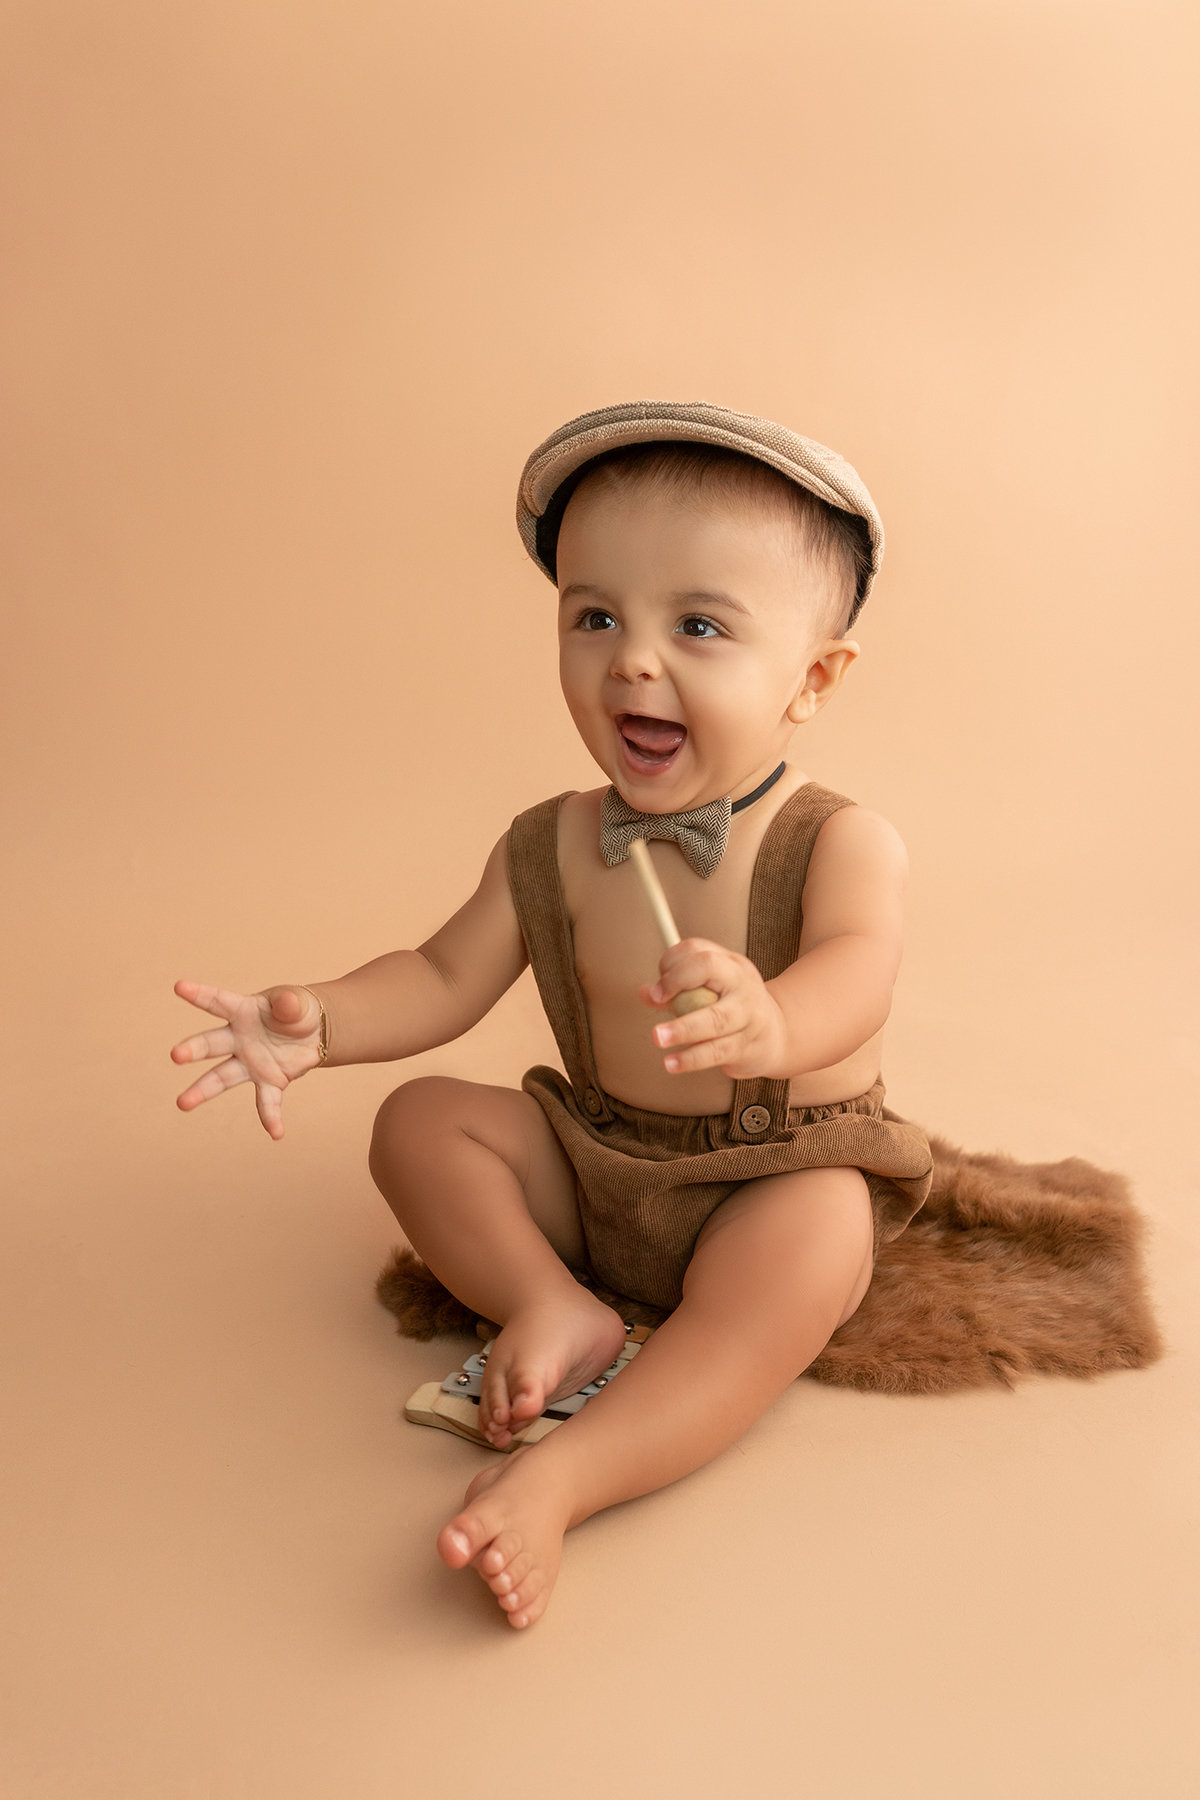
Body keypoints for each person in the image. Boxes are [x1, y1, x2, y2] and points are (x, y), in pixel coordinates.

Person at [170, 401, 933, 1630]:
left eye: (697, 624)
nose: (633, 660)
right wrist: (325, 1023)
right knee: (419, 1124)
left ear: (814, 679)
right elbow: (438, 974)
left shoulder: (836, 840)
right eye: (594, 617)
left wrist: (775, 1022)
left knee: (813, 1240)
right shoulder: (555, 842)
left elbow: (864, 965)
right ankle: (549, 1300)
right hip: (600, 1154)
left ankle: (565, 1477)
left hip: (770, 1171)